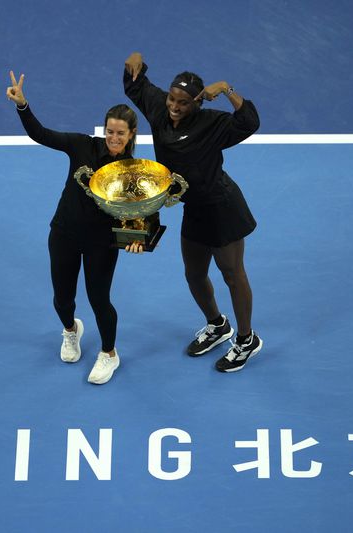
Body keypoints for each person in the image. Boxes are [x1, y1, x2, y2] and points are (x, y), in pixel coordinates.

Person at [122, 52, 263, 373]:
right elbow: (137, 86)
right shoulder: (160, 108)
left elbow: (249, 122)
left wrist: (227, 89)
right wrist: (134, 61)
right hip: (194, 207)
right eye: (173, 99)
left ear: (197, 103)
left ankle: (246, 340)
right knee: (194, 274)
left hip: (222, 207)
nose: (175, 106)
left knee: (232, 274)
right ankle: (217, 325)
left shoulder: (212, 123)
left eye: (183, 102)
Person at [6, 70, 138, 385]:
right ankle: (70, 330)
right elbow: (41, 134)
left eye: (120, 134)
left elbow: (139, 212)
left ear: (131, 134)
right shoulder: (82, 146)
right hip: (64, 233)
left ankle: (109, 354)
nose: (114, 138)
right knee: (62, 299)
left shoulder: (133, 172)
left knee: (99, 300)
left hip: (101, 244)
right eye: (110, 132)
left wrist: (136, 237)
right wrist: (23, 105)